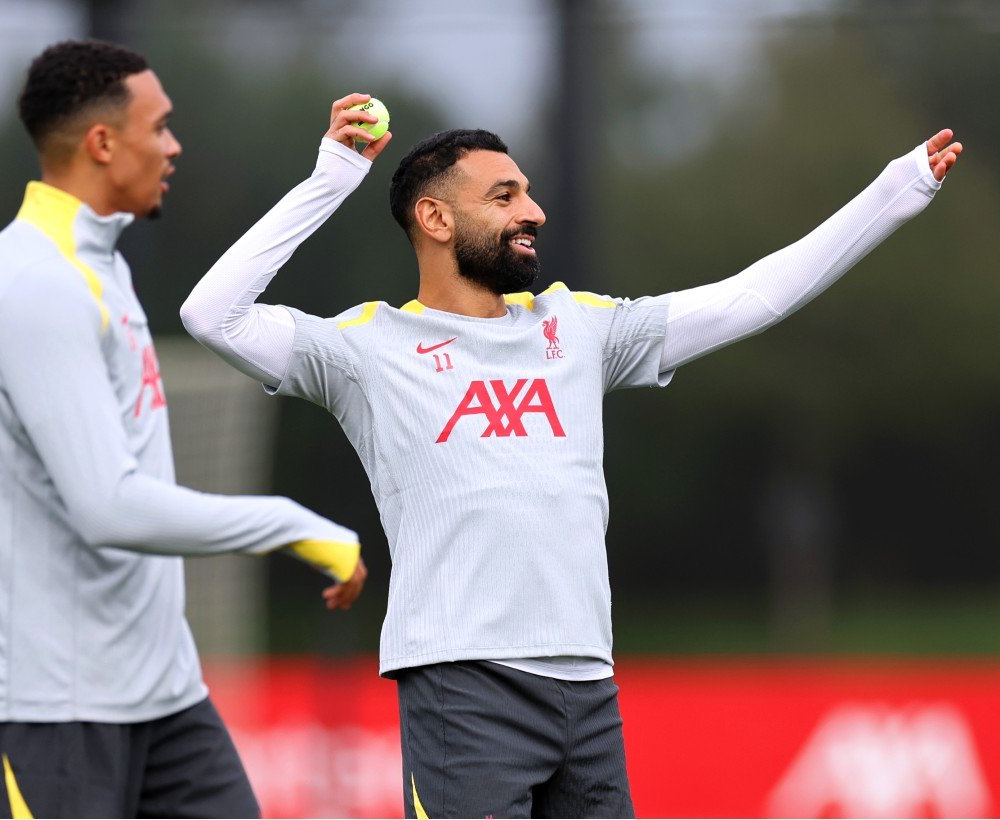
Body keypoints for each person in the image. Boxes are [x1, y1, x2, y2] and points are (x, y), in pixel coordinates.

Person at [180, 93, 962, 818]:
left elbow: (753, 296)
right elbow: (212, 314)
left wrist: (897, 191)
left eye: (528, 191)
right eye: (505, 196)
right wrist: (334, 176)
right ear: (434, 218)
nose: (535, 211)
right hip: (462, 687)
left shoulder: (580, 328)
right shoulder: (365, 347)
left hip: (588, 689)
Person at [0, 42, 367, 819]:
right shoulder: (34, 280)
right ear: (103, 143)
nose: (174, 146)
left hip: (163, 694)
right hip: (47, 709)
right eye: (161, 127)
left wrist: (328, 178)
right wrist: (286, 522)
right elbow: (109, 506)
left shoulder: (99, 263)